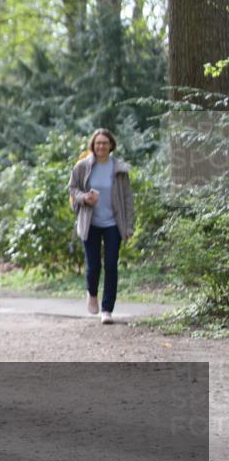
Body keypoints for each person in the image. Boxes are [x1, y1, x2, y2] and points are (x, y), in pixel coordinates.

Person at [67, 128, 135, 325]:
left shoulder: (119, 169)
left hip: (114, 223)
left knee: (111, 265)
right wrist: (84, 197)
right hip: (90, 223)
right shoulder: (82, 167)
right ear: (93, 145)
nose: (101, 146)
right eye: (98, 143)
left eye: (105, 142)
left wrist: (129, 225)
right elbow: (72, 189)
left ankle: (107, 309)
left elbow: (128, 199)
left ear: (111, 145)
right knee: (94, 265)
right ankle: (92, 293)